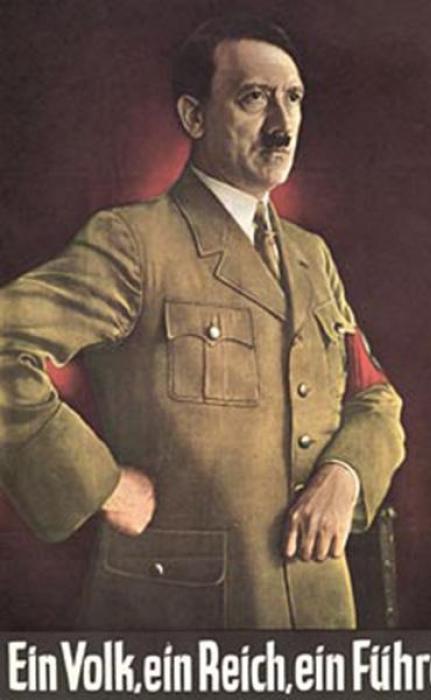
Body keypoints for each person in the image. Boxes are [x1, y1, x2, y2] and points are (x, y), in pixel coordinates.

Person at [0, 15, 405, 629]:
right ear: (194, 116)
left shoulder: (311, 257)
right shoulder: (135, 243)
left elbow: (374, 396)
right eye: (254, 98)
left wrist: (346, 472)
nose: (282, 124)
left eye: (293, 98)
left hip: (320, 618)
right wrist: (99, 485)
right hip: (185, 620)